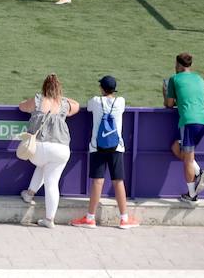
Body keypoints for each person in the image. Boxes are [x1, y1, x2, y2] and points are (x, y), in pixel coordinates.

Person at [72, 75, 138, 228]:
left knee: (97, 181)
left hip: (97, 147)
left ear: (101, 88)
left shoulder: (95, 101)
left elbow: (88, 107)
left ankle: (90, 218)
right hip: (116, 147)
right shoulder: (120, 101)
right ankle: (124, 219)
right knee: (118, 181)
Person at [18, 73, 79, 228]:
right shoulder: (64, 104)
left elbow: (21, 106)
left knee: (44, 165)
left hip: (39, 149)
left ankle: (30, 194)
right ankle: (49, 218)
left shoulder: (38, 100)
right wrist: (62, 97)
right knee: (52, 181)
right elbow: (77, 105)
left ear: (44, 87)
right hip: (61, 149)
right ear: (59, 89)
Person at [164, 52, 204, 203]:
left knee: (188, 160)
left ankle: (191, 195)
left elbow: (169, 104)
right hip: (203, 121)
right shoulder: (200, 79)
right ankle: (198, 172)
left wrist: (165, 92)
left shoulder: (174, 79)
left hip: (189, 122)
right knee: (176, 147)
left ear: (178, 65)